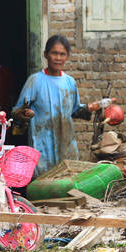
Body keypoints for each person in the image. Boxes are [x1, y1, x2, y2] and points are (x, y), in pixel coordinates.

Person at [12, 35, 105, 178]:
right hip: (42, 143)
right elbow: (16, 111)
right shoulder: (35, 81)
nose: (58, 58)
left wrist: (90, 108)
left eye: (62, 54)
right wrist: (24, 113)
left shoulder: (70, 82)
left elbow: (74, 110)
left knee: (67, 179)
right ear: (46, 55)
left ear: (67, 56)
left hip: (66, 141)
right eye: (54, 53)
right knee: (44, 181)